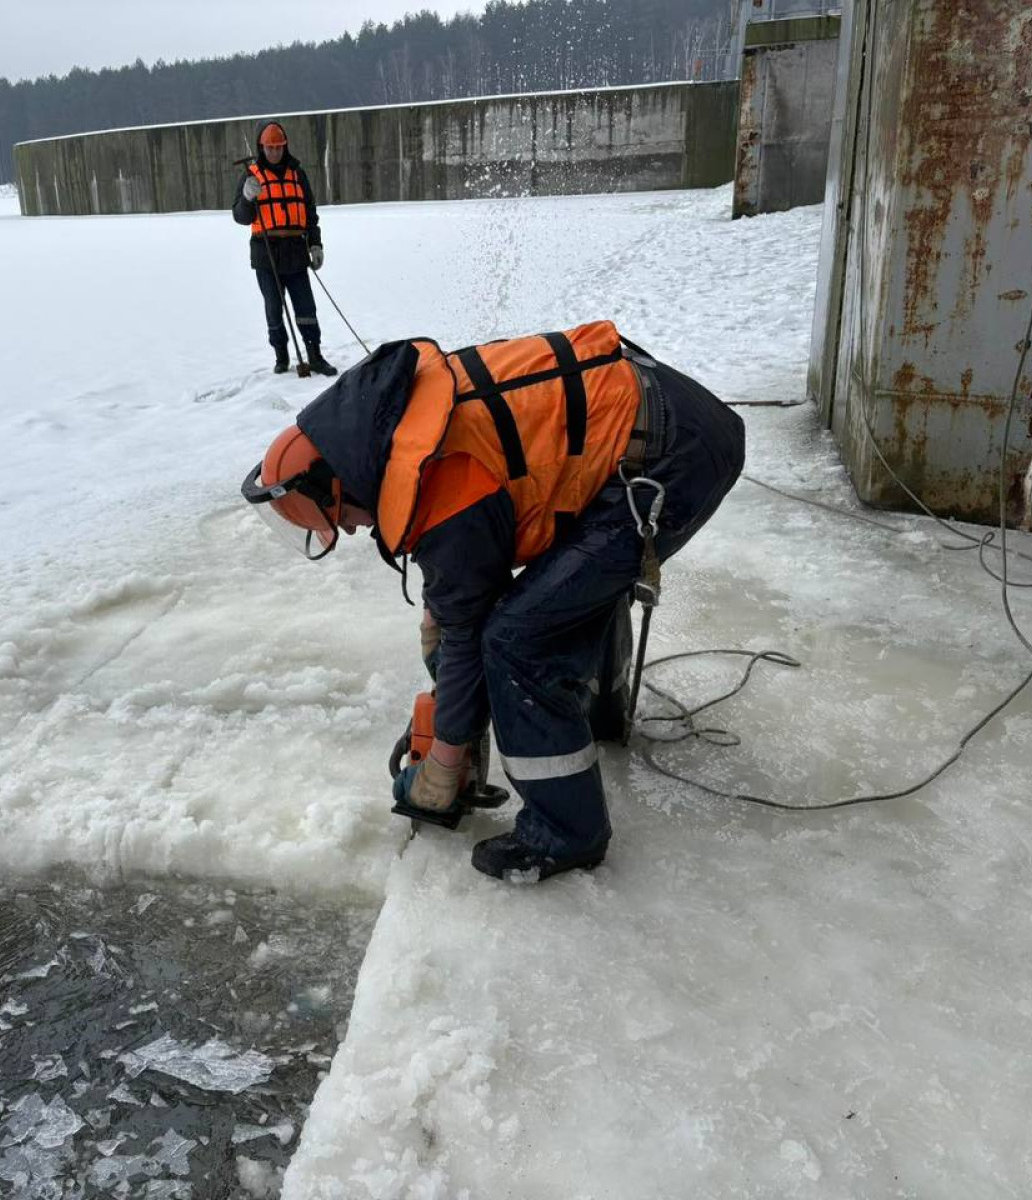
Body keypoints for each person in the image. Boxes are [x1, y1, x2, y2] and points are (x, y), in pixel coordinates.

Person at [241, 321, 744, 883]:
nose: (354, 531)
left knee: (517, 641)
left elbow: (470, 612)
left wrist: (442, 767)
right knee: (560, 597)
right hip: (665, 418)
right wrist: (441, 614)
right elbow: (463, 565)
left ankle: (566, 832)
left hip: (669, 458)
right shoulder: (395, 425)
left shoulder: (440, 482)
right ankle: (596, 713)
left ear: (342, 484)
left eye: (343, 519)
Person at [231, 120, 337, 377]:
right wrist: (247, 198)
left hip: (295, 250)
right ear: (261, 147)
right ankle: (281, 356)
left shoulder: (298, 174)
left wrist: (315, 243)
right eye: (270, 148)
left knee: (306, 306)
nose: (275, 152)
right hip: (265, 253)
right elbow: (240, 217)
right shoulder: (250, 176)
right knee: (273, 307)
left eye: (279, 147)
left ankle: (314, 354)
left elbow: (310, 213)